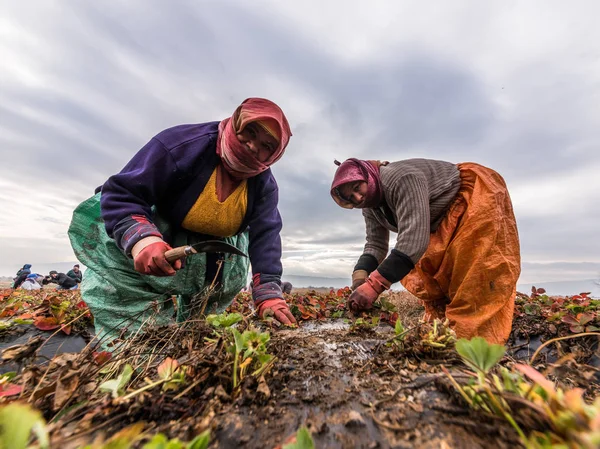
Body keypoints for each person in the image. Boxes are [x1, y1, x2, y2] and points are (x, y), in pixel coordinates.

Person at [68, 98, 297, 345]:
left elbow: (266, 236)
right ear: (237, 123)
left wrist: (269, 294)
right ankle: (134, 351)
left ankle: (193, 339)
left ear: (275, 154)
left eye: (266, 145)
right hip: (156, 226)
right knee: (135, 310)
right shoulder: (181, 146)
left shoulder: (263, 185)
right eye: (249, 133)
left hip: (215, 247)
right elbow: (123, 193)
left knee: (205, 315)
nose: (253, 146)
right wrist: (143, 240)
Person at [330, 158, 521, 344]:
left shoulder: (401, 179)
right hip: (438, 223)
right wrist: (359, 279)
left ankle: (473, 346)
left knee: (474, 277)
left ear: (367, 176)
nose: (358, 198)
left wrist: (374, 286)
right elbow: (375, 244)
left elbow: (414, 240)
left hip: (473, 201)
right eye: (350, 197)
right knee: (432, 277)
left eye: (357, 188)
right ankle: (444, 332)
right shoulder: (370, 207)